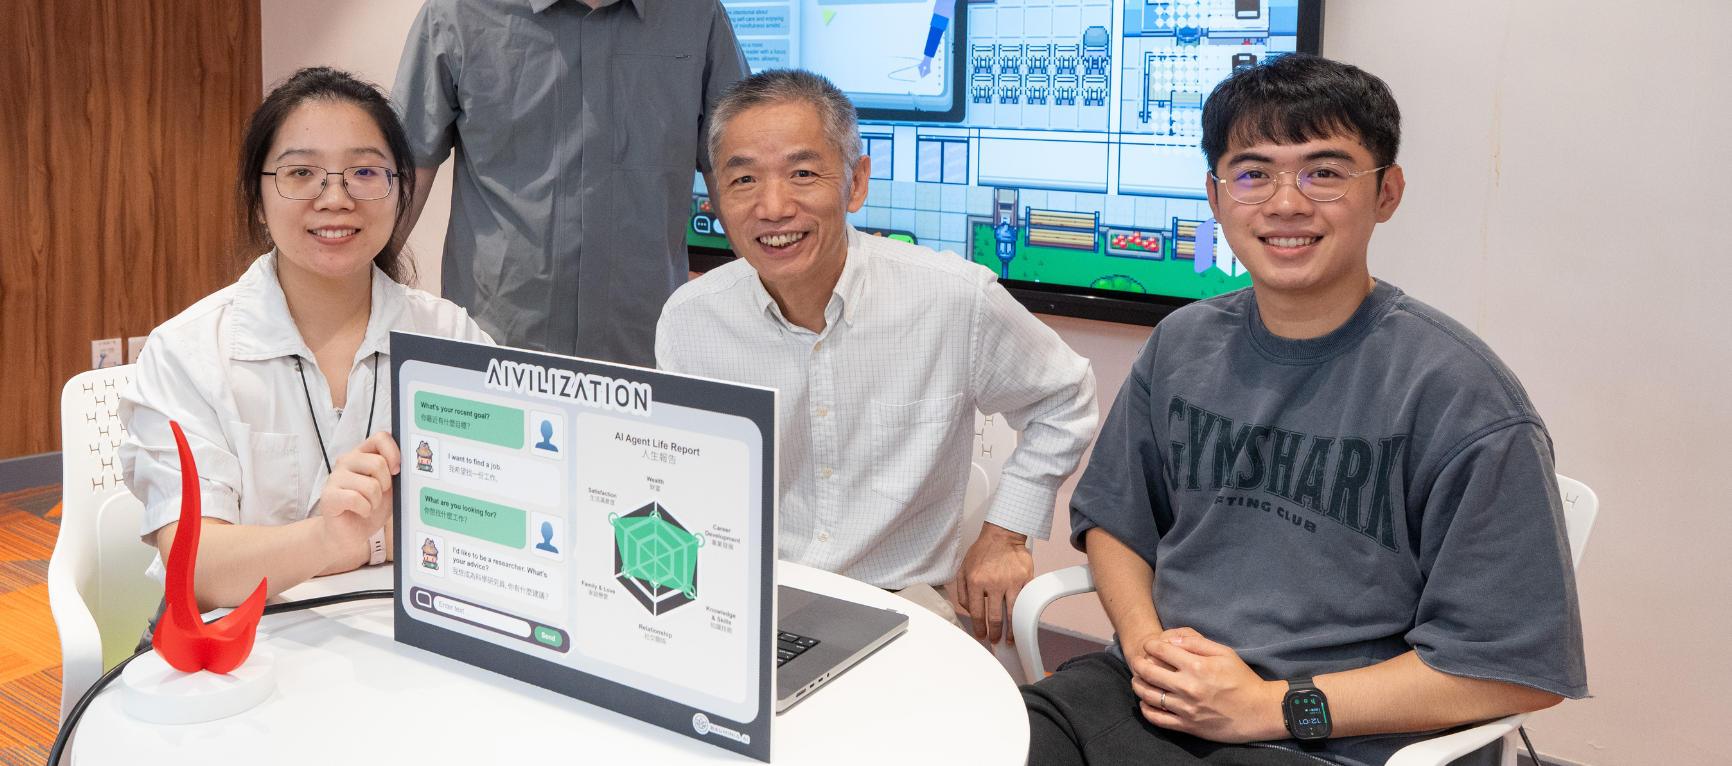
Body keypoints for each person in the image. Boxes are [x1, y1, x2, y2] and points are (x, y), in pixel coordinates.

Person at [1025, 55, 1586, 766]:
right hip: (1146, 698)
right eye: (1253, 173)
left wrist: (1268, 707)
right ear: (1216, 195)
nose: (1286, 203)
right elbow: (1116, 520)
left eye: (1324, 172)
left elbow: (1515, 667)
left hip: (1330, 741)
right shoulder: (1182, 344)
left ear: (1387, 192)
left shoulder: (1460, 395)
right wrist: (1146, 648)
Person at [654, 71, 1097, 644]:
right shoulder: (690, 320)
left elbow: (1065, 398)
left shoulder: (953, 298)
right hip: (742, 599)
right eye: (744, 179)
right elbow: (682, 478)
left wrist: (1006, 532)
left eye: (802, 173)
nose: (773, 207)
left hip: (897, 606)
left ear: (856, 182)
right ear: (717, 197)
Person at [392, 0, 748, 368]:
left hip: (649, 355)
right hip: (493, 355)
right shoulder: (455, 18)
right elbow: (400, 188)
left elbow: (740, 180)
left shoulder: (698, 17)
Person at [119, 68, 493, 607]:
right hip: (250, 640)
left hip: (410, 630)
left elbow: (499, 515)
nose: (335, 198)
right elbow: (197, 569)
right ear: (258, 198)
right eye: (301, 173)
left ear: (398, 191)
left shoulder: (451, 338)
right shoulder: (188, 353)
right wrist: (330, 538)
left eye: (365, 171)